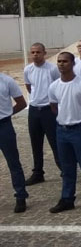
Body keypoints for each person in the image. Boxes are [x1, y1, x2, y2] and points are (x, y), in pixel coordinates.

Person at [48, 52, 81, 215]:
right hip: (62, 131)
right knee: (67, 168)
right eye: (59, 61)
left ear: (72, 64)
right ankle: (67, 199)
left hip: (80, 130)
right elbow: (54, 107)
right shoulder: (54, 86)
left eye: (65, 61)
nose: (61, 64)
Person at [23, 42, 61, 184]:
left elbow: (59, 86)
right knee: (36, 143)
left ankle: (64, 169)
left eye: (38, 52)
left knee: (55, 142)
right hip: (34, 110)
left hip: (48, 110)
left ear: (44, 53)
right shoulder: (28, 70)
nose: (35, 55)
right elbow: (28, 86)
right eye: (32, 52)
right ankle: (38, 172)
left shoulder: (52, 69)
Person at [0, 70, 29, 213]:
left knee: (13, 162)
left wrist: (6, 114)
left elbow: (21, 103)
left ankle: (21, 195)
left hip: (3, 126)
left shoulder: (7, 81)